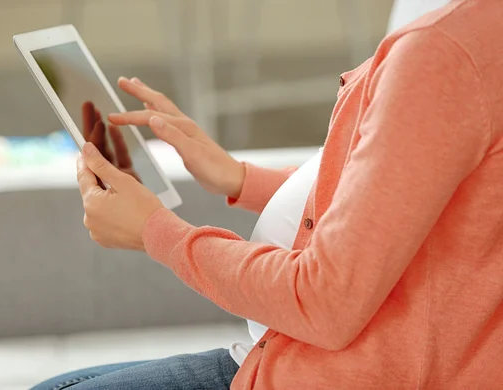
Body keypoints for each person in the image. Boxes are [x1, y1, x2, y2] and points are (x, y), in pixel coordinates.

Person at [32, 0, 503, 388]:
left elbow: (324, 302)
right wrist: (240, 178)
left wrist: (157, 233)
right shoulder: (470, 29)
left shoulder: (441, 50)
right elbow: (401, 204)